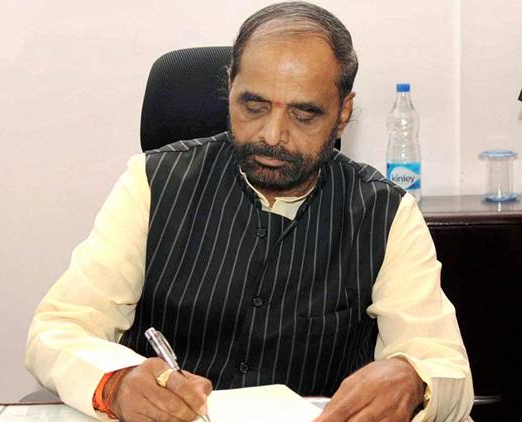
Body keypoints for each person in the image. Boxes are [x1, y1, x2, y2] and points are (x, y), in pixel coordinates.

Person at [25, 2, 473, 421]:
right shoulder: (153, 183)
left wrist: (414, 380)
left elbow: (443, 364)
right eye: (253, 106)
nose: (272, 135)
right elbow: (59, 329)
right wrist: (116, 383)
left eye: (303, 115)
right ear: (229, 89)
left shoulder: (386, 213)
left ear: (343, 113)